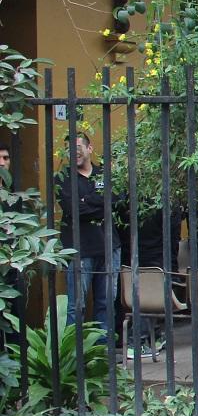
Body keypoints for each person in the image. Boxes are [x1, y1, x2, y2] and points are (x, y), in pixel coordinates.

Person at [56, 130, 122, 329]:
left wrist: (89, 200)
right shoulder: (63, 178)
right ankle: (75, 356)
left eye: (77, 148)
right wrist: (100, 202)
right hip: (79, 250)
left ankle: (103, 352)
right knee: (77, 305)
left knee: (106, 304)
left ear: (89, 148)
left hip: (110, 248)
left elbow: (117, 200)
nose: (73, 153)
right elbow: (73, 209)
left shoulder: (105, 174)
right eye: (68, 150)